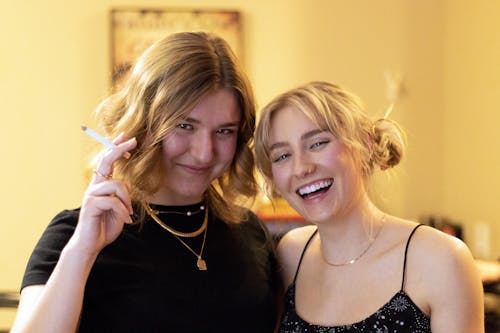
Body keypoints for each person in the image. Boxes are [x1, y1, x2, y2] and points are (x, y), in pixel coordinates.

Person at [12, 32, 278, 333]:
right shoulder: (76, 236)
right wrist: (82, 251)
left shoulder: (250, 232)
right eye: (185, 126)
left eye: (224, 131)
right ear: (143, 123)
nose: (204, 152)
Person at [254, 81, 484, 332]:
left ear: (366, 143)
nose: (301, 168)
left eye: (318, 143)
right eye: (282, 156)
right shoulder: (292, 253)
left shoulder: (441, 260)